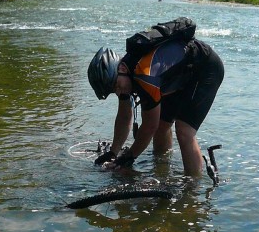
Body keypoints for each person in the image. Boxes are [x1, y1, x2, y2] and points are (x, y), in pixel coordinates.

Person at [87, 23, 223, 176]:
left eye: (116, 86)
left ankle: (192, 189)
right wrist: (113, 153)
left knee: (184, 131)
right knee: (162, 127)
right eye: (114, 91)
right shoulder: (123, 78)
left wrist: (129, 157)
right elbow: (125, 117)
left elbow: (149, 126)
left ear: (122, 69)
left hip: (205, 68)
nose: (119, 92)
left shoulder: (144, 76)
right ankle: (162, 168)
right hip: (176, 77)